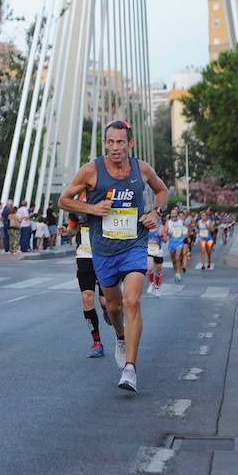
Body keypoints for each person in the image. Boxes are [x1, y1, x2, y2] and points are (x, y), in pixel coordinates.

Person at [59, 119, 168, 393]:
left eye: (121, 142)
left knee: (132, 301)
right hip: (104, 250)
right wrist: (92, 209)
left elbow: (162, 190)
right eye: (110, 142)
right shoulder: (91, 170)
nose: (115, 147)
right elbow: (64, 200)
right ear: (105, 143)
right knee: (113, 307)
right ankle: (120, 337)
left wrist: (156, 213)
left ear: (130, 144)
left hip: (134, 245)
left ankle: (130, 369)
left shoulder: (141, 169)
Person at [58, 204, 111, 358]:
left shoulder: (105, 197)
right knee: (87, 297)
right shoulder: (76, 204)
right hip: (84, 255)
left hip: (105, 255)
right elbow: (73, 229)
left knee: (105, 302)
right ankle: (97, 342)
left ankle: (109, 313)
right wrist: (66, 231)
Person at [145, 220, 167, 296]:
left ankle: (157, 288)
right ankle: (151, 283)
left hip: (158, 251)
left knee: (159, 271)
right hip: (149, 250)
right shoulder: (145, 227)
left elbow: (165, 241)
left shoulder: (161, 227)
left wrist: (161, 235)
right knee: (150, 268)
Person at [166, 207, 186, 283]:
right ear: (170, 215)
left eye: (175, 213)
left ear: (177, 214)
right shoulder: (168, 222)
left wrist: (185, 234)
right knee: (173, 260)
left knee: (177, 257)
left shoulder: (181, 221)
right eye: (172, 213)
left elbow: (185, 229)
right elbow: (165, 231)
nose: (173, 215)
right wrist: (168, 233)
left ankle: (178, 273)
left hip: (179, 242)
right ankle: (176, 273)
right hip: (171, 243)